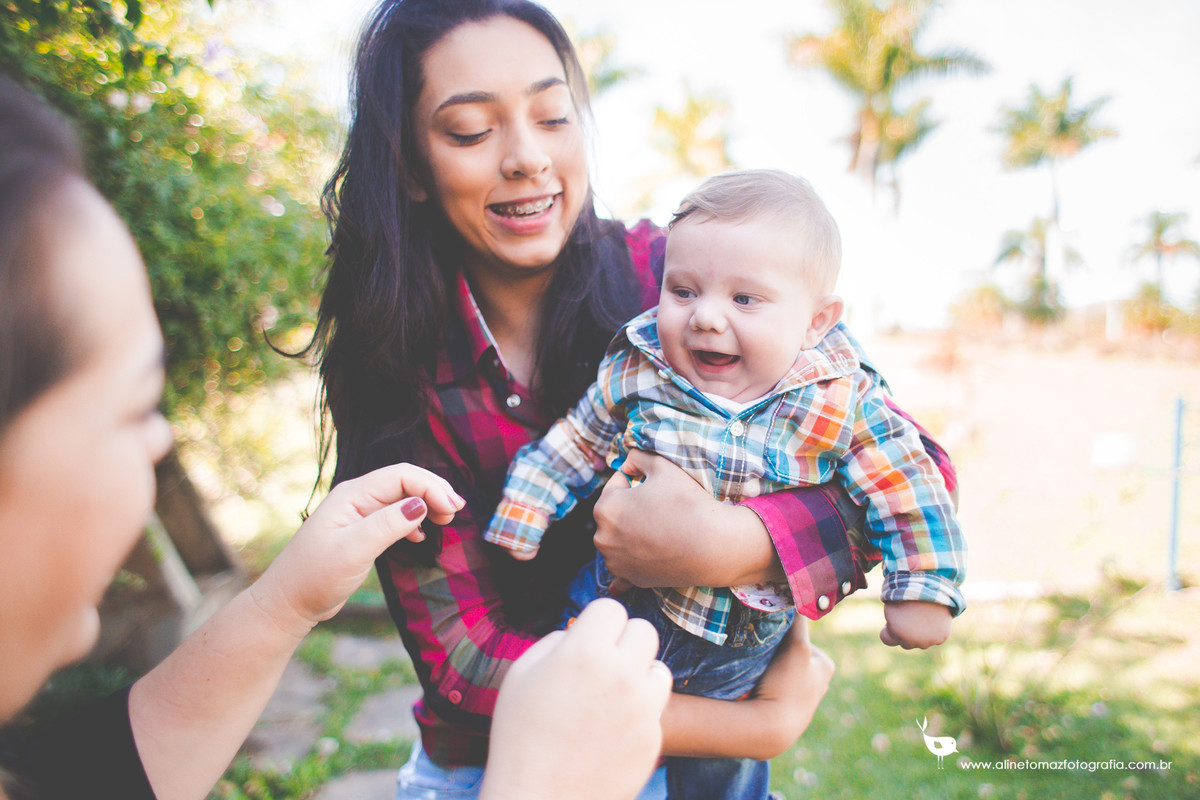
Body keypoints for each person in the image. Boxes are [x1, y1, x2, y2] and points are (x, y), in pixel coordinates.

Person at [309, 1, 953, 798]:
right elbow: (464, 659)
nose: (527, 159)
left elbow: (913, 473)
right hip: (494, 772)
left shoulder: (680, 279)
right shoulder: (395, 367)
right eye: (472, 131)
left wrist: (735, 543)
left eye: (552, 116)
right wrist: (755, 727)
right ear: (409, 165)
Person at [0, 75, 681, 800]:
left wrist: (286, 600)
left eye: (553, 115)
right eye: (133, 410)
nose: (157, 445)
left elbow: (92, 777)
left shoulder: (656, 270)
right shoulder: (402, 363)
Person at [483, 169, 966, 797]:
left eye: (745, 300)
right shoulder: (642, 364)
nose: (705, 317)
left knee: (725, 783)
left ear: (817, 320)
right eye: (683, 290)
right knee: (583, 758)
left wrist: (922, 588)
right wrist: (527, 505)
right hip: (617, 609)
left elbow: (908, 485)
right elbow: (580, 436)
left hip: (739, 646)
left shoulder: (837, 397)